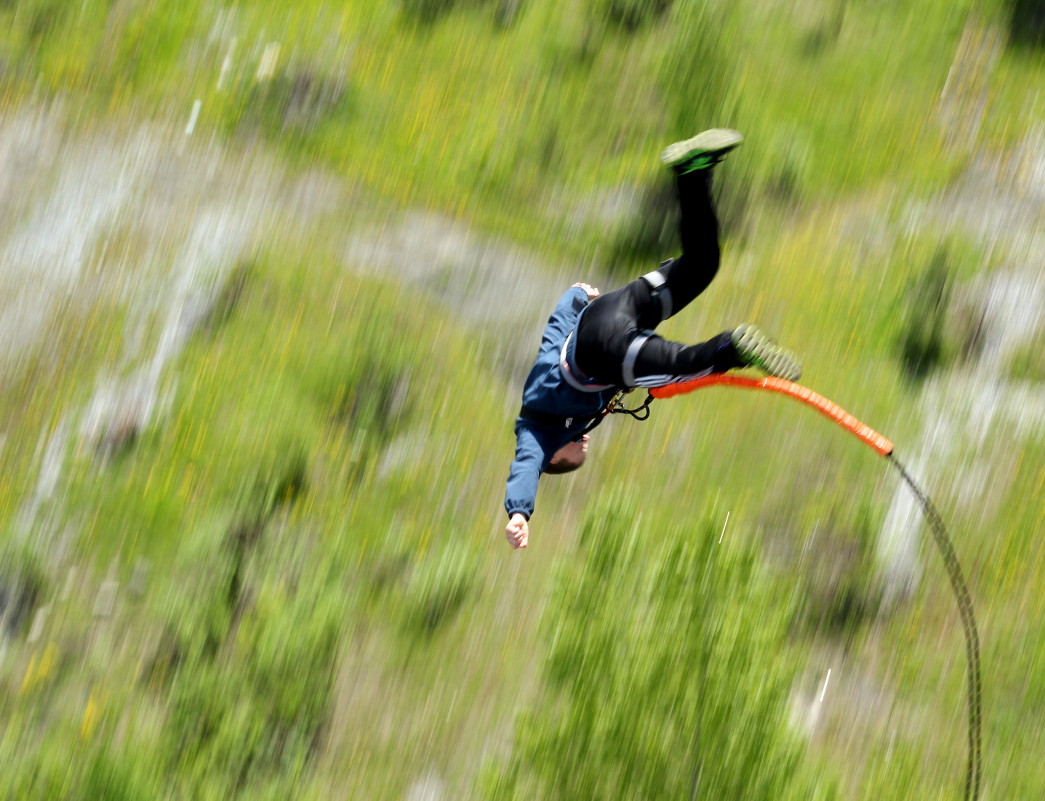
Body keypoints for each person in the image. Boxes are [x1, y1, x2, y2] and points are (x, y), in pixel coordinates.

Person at [503, 129, 802, 549]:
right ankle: (692, 174)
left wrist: (519, 512)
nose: (584, 440)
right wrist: (573, 296)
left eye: (577, 449)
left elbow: (525, 467)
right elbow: (553, 333)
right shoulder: (538, 390)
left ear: (554, 455)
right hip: (609, 308)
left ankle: (735, 346)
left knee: (684, 366)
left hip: (604, 349)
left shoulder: (537, 433)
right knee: (702, 264)